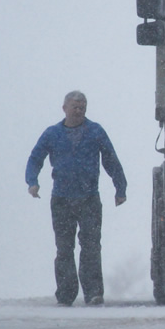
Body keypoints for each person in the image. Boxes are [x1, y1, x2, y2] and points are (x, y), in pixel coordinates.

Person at [26, 91, 127, 306]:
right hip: (61, 200)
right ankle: (65, 294)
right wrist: (32, 181)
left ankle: (93, 293)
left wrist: (120, 188)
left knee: (91, 246)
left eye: (83, 107)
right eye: (75, 106)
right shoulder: (52, 134)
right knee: (64, 248)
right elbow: (35, 158)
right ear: (64, 108)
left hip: (89, 198)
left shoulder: (95, 131)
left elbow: (111, 159)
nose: (79, 110)